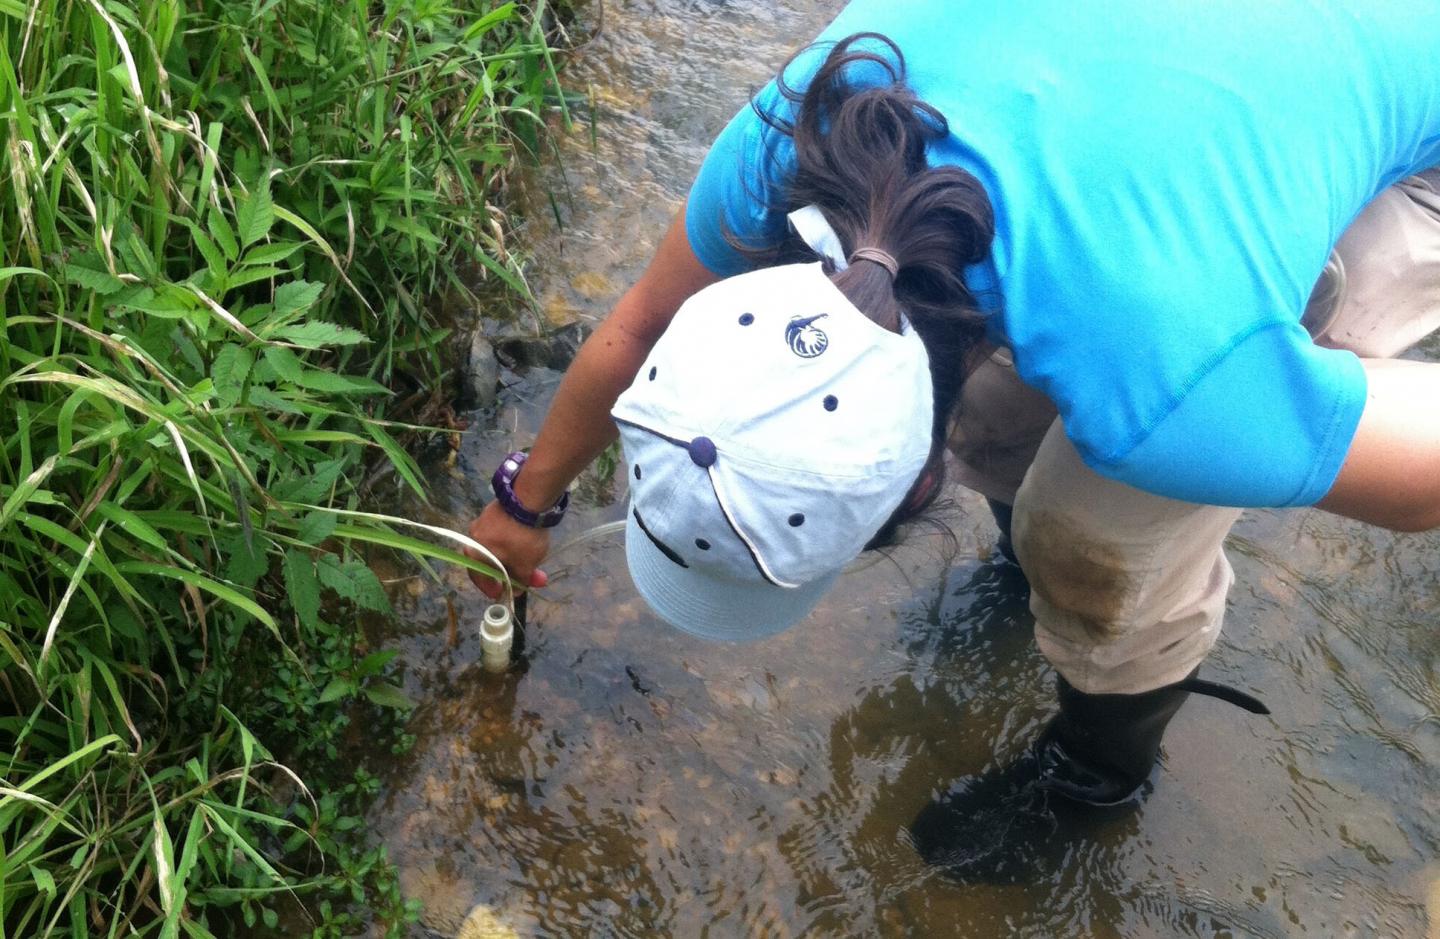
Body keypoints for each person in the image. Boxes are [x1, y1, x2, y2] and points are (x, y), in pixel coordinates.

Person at [468, 0, 1440, 878]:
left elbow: (1420, 483)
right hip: (1200, 81)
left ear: (919, 483)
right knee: (1012, 415)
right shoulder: (796, 139)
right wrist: (525, 498)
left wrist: (1254, 398)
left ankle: (1096, 776)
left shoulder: (1171, 385)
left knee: (1095, 532)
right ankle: (1028, 571)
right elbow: (640, 322)